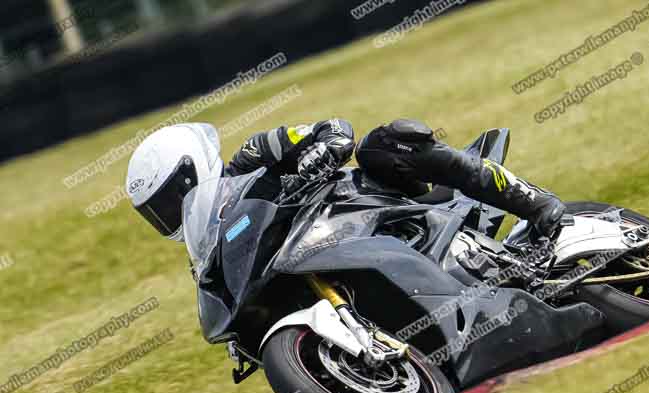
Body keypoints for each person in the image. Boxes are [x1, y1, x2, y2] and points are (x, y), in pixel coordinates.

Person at [125, 119, 565, 242]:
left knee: (383, 142)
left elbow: (332, 127)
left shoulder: (252, 157)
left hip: (365, 204)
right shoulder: (214, 244)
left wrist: (322, 150)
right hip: (318, 253)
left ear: (191, 172)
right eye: (157, 215)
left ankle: (535, 202)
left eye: (169, 201)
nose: (170, 216)